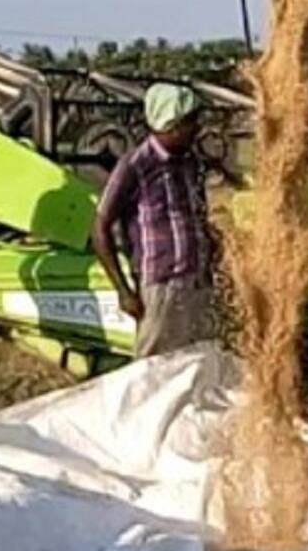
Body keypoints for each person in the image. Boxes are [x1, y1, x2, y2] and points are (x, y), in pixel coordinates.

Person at [91, 83, 215, 358]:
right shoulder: (135, 165)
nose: (197, 128)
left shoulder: (191, 162)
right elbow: (99, 228)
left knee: (200, 361)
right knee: (153, 368)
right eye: (191, 121)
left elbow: (200, 217)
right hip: (160, 285)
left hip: (197, 281)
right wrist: (123, 291)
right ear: (171, 126)